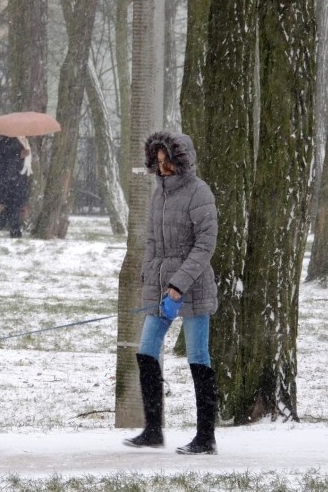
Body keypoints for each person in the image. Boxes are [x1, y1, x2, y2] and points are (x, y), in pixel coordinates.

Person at [122, 130, 219, 455]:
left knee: (198, 357)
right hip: (161, 288)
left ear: (181, 161)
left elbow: (205, 245)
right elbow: (152, 242)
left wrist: (178, 285)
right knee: (147, 349)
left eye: (168, 162)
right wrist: (150, 276)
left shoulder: (199, 193)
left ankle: (206, 437)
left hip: (193, 288)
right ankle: (153, 430)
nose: (162, 168)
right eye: (158, 162)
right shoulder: (158, 195)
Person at [0, 136, 31, 238]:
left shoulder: (22, 140)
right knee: (13, 207)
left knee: (14, 208)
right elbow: (5, 160)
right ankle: (13, 231)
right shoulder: (5, 140)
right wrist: (19, 155)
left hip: (19, 177)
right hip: (10, 179)